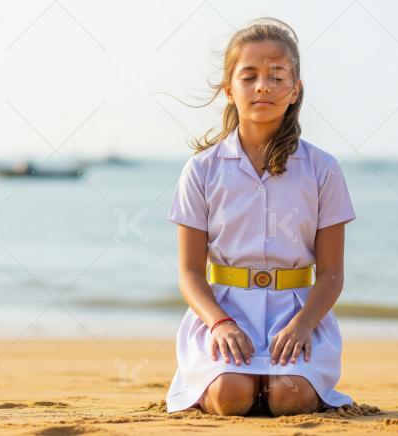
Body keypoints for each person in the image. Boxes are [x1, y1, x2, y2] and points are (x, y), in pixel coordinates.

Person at [165, 17, 357, 416]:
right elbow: (189, 274)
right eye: (249, 76)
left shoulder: (323, 169)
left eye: (277, 76)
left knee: (291, 398)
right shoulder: (201, 170)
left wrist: (304, 325)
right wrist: (220, 324)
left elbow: (332, 275)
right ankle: (235, 381)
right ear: (229, 90)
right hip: (224, 312)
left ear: (295, 90)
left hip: (298, 314)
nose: (263, 86)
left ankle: (281, 384)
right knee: (230, 396)